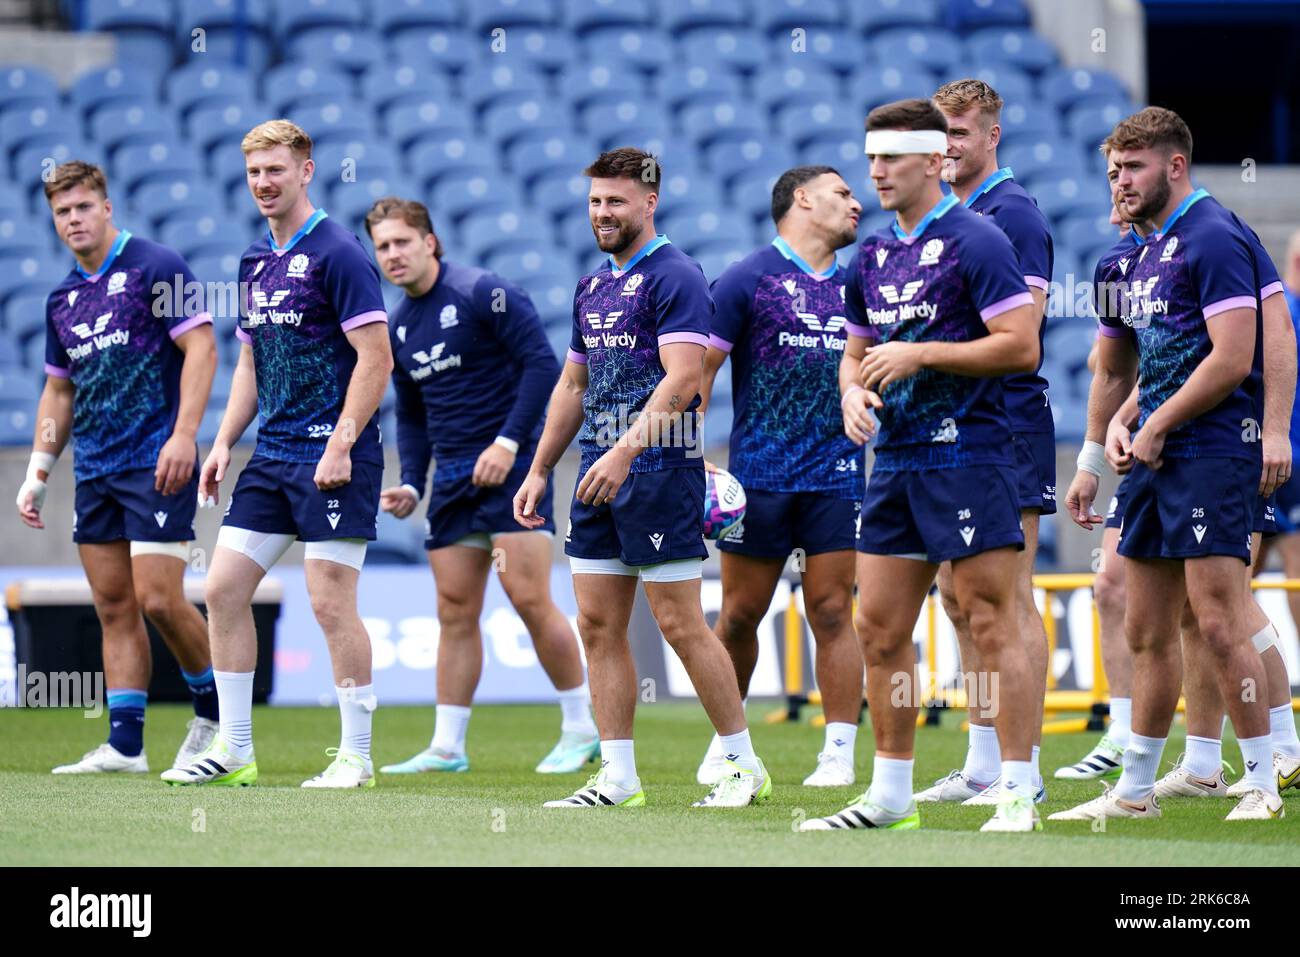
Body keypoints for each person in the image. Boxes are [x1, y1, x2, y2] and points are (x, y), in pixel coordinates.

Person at [798, 99, 1041, 833]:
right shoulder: (871, 253)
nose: (877, 171)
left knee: (989, 618)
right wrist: (849, 394)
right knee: (876, 625)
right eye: (871, 158)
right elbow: (854, 352)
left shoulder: (980, 239)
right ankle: (892, 794)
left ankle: (1019, 789)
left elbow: (1021, 345)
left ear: (934, 161)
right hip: (896, 460)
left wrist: (923, 353)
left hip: (969, 452)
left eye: (893, 158)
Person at [513, 147, 772, 809]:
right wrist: (540, 468)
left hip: (657, 468)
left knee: (681, 624)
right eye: (596, 201)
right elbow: (574, 382)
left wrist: (625, 452)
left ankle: (743, 764)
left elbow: (684, 377)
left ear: (649, 202)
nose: (603, 212)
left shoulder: (675, 274)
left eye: (616, 201)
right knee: (597, 625)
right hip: (600, 469)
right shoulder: (592, 283)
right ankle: (619, 777)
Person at [1051, 107, 1284, 822]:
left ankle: (1265, 777)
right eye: (1114, 169)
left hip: (1214, 449)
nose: (1120, 182)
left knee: (1219, 618)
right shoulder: (1122, 257)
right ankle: (1138, 788)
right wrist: (1100, 448)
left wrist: (1157, 422)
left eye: (1134, 167)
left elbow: (1234, 355)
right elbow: (1119, 367)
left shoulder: (1212, 235)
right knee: (1145, 627)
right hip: (1152, 456)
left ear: (1174, 165)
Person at [162, 120, 393, 789]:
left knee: (329, 602)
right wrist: (224, 441)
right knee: (223, 588)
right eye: (255, 172)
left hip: (335, 455)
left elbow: (376, 360)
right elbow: (249, 364)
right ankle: (234, 749)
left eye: (276, 171)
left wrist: (343, 442)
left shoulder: (340, 253)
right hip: (272, 454)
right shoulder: (252, 260)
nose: (264, 183)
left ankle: (355, 755)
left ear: (306, 171)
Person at [365, 196, 598, 775]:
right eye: (382, 247)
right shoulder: (397, 325)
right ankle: (447, 746)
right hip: (450, 481)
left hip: (513, 470)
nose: (392, 255)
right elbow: (412, 414)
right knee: (453, 610)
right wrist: (413, 485)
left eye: (401, 242)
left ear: (430, 242)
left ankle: (582, 729)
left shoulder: (483, 293)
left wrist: (510, 444)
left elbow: (546, 368)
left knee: (527, 597)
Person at [19, 161, 219, 776]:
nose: (74, 219)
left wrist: (185, 434)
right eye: (62, 211)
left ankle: (217, 718)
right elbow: (58, 393)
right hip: (97, 470)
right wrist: (38, 470)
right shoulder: (62, 300)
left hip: (155, 460)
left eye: (83, 207)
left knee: (159, 598)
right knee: (112, 606)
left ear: (107, 208)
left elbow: (203, 347)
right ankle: (126, 747)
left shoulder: (156, 266)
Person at [694, 166, 866, 788]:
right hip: (759, 476)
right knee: (739, 614)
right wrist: (693, 453)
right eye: (844, 193)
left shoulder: (858, 284)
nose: (858, 202)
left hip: (838, 474)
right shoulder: (747, 278)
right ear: (802, 199)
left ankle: (839, 753)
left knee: (831, 609)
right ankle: (729, 743)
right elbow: (700, 374)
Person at [918, 79, 1056, 805]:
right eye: (939, 134)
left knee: (1010, 597)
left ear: (992, 135)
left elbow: (1022, 338)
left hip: (1006, 422)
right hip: (956, 424)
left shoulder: (1013, 215)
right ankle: (981, 760)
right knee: (956, 592)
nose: (947, 147)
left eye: (961, 133)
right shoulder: (955, 215)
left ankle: (1020, 771)